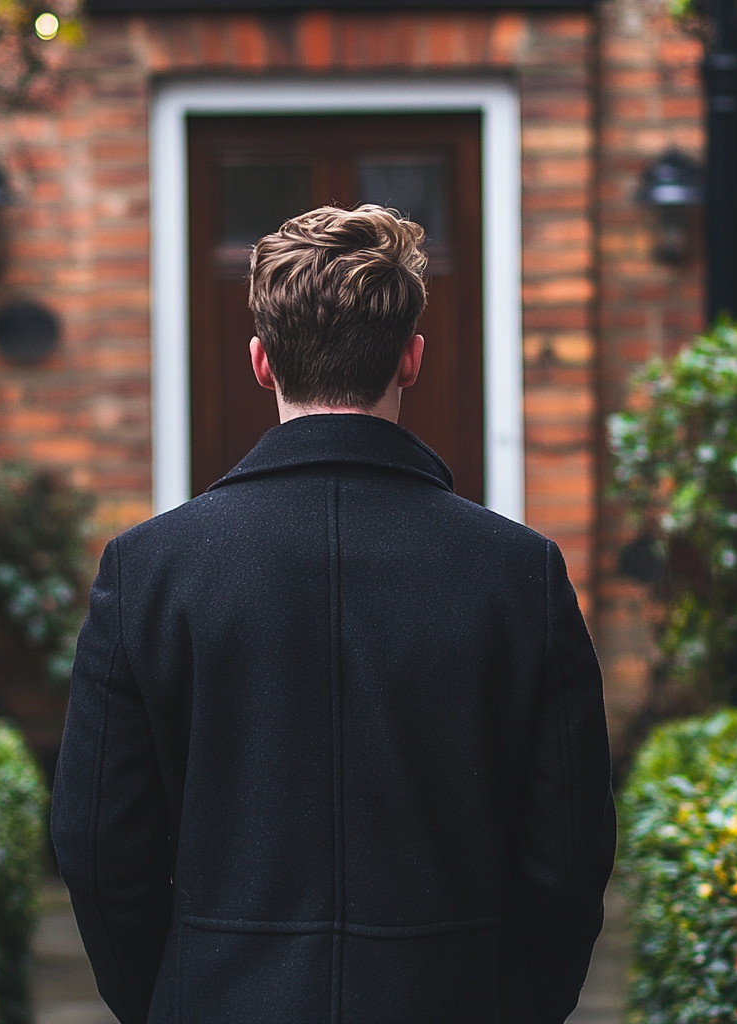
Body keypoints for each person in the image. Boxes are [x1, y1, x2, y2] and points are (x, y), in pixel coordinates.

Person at [52, 204, 616, 1024]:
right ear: (412, 359)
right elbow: (568, 851)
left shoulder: (149, 570)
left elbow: (100, 848)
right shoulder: (519, 572)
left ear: (260, 362)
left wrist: (170, 995)